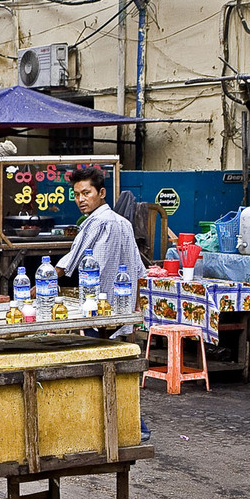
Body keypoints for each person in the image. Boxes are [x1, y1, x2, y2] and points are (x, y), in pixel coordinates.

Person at [54, 165, 151, 441]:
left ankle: (130, 427)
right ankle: (133, 426)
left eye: (86, 193)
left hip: (101, 310)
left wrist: (47, 280)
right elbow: (138, 271)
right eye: (77, 194)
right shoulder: (122, 222)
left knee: (103, 367)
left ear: (102, 193)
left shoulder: (101, 223)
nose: (81, 199)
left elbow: (80, 263)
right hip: (120, 309)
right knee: (118, 367)